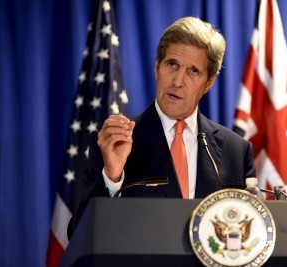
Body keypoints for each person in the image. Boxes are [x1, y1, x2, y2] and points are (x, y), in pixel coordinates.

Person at [68, 16, 256, 238]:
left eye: (193, 71)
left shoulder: (236, 151)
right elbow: (78, 234)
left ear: (209, 82)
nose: (177, 81)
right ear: (157, 67)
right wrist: (112, 177)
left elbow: (247, 237)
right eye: (172, 65)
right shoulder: (115, 142)